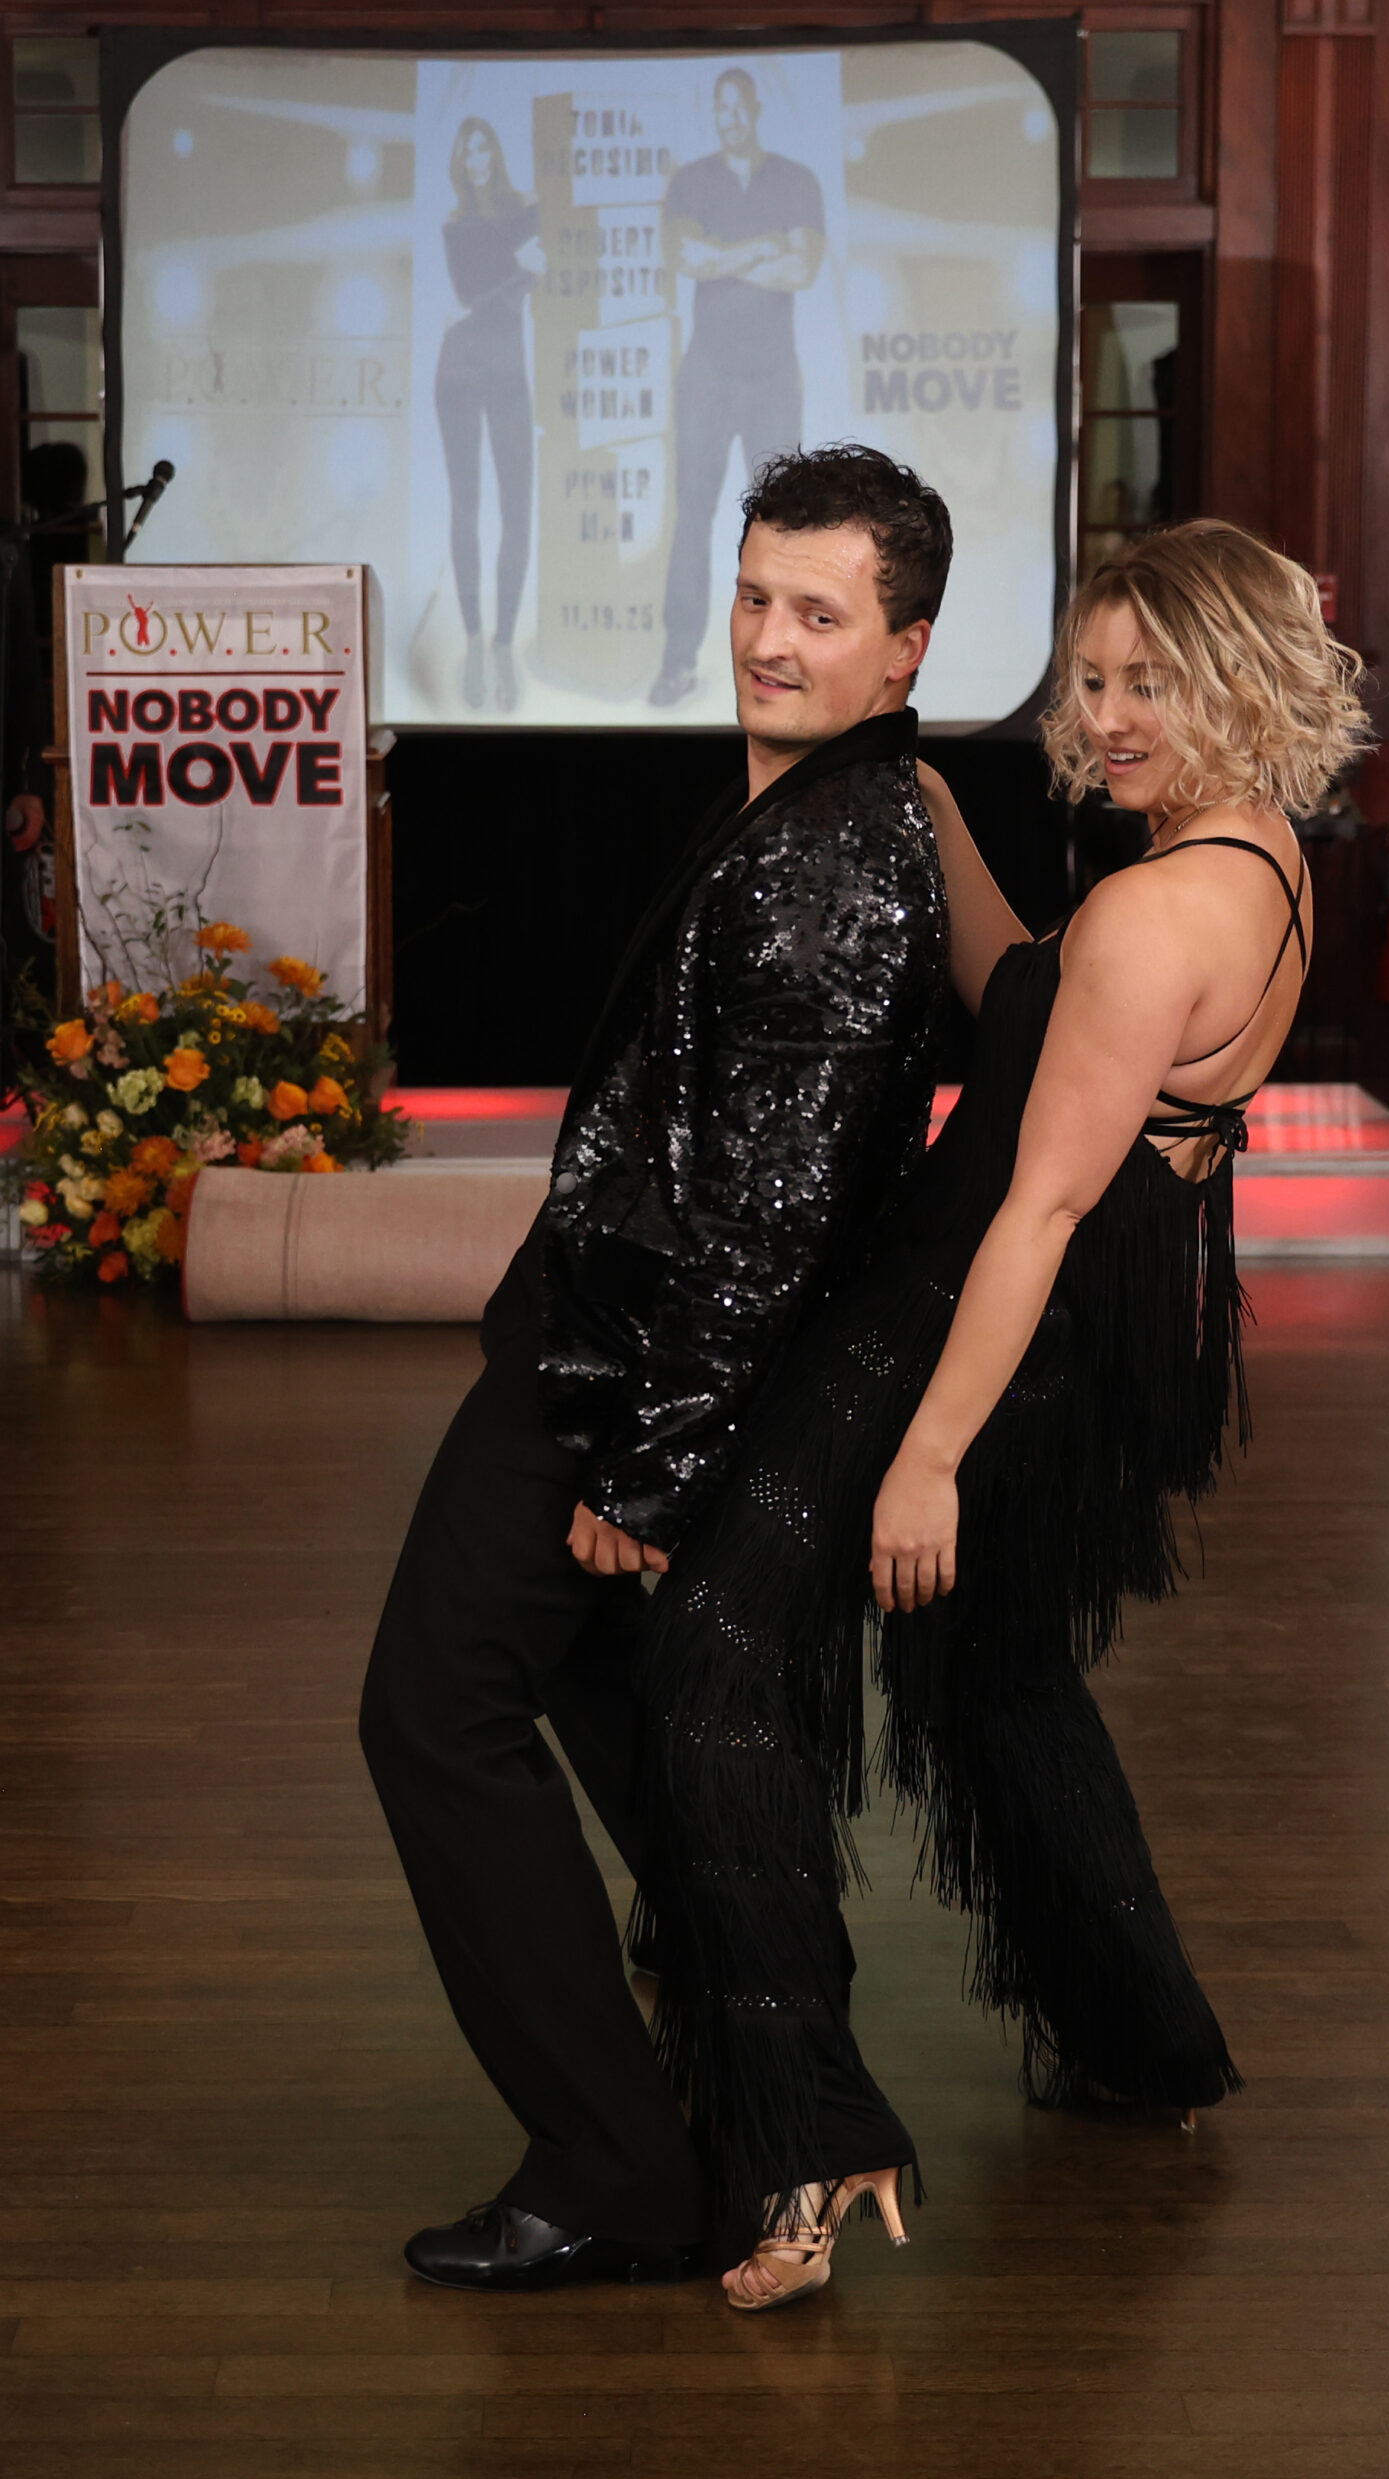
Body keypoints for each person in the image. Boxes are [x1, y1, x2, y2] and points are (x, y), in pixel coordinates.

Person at [623, 520, 1372, 2308]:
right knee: (996, 1677)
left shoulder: (1153, 911)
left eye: (1151, 682)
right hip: (1113, 1307)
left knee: (715, 1650)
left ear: (1240, 677)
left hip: (984, 1311)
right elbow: (1035, 1003)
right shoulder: (1250, 855)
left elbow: (1033, 1204)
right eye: (1091, 678)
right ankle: (1140, 2038)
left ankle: (805, 2134)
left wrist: (927, 1460)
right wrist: (935, 814)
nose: (1106, 718)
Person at [359, 446, 955, 2292]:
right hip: (613, 1346)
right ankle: (770, 2087)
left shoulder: (836, 861)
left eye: (819, 614)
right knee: (620, 1714)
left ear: (905, 650)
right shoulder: (821, 805)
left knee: (433, 1710)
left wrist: (651, 1467)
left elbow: (769, 1214)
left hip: (620, 1375)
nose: (769, 639)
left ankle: (617, 2165)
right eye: (756, 595)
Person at [649, 70, 825, 709]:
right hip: (707, 373)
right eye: (717, 107)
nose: (728, 116)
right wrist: (760, 250)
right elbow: (684, 257)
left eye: (735, 105)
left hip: (773, 375)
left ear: (753, 108)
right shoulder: (691, 181)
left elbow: (801, 267)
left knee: (784, 529)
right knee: (692, 513)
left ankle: (790, 669)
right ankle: (677, 660)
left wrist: (721, 255)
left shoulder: (795, 180)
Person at [436, 117, 542, 715]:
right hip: (456, 370)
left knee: (516, 508)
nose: (476, 159)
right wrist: (518, 267)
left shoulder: (526, 213)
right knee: (466, 505)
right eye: (466, 151)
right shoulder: (457, 227)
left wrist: (519, 264)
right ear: (460, 163)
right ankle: (474, 639)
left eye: (483, 147)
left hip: (507, 373)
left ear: (495, 154)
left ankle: (503, 641)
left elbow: (537, 264)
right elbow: (466, 291)